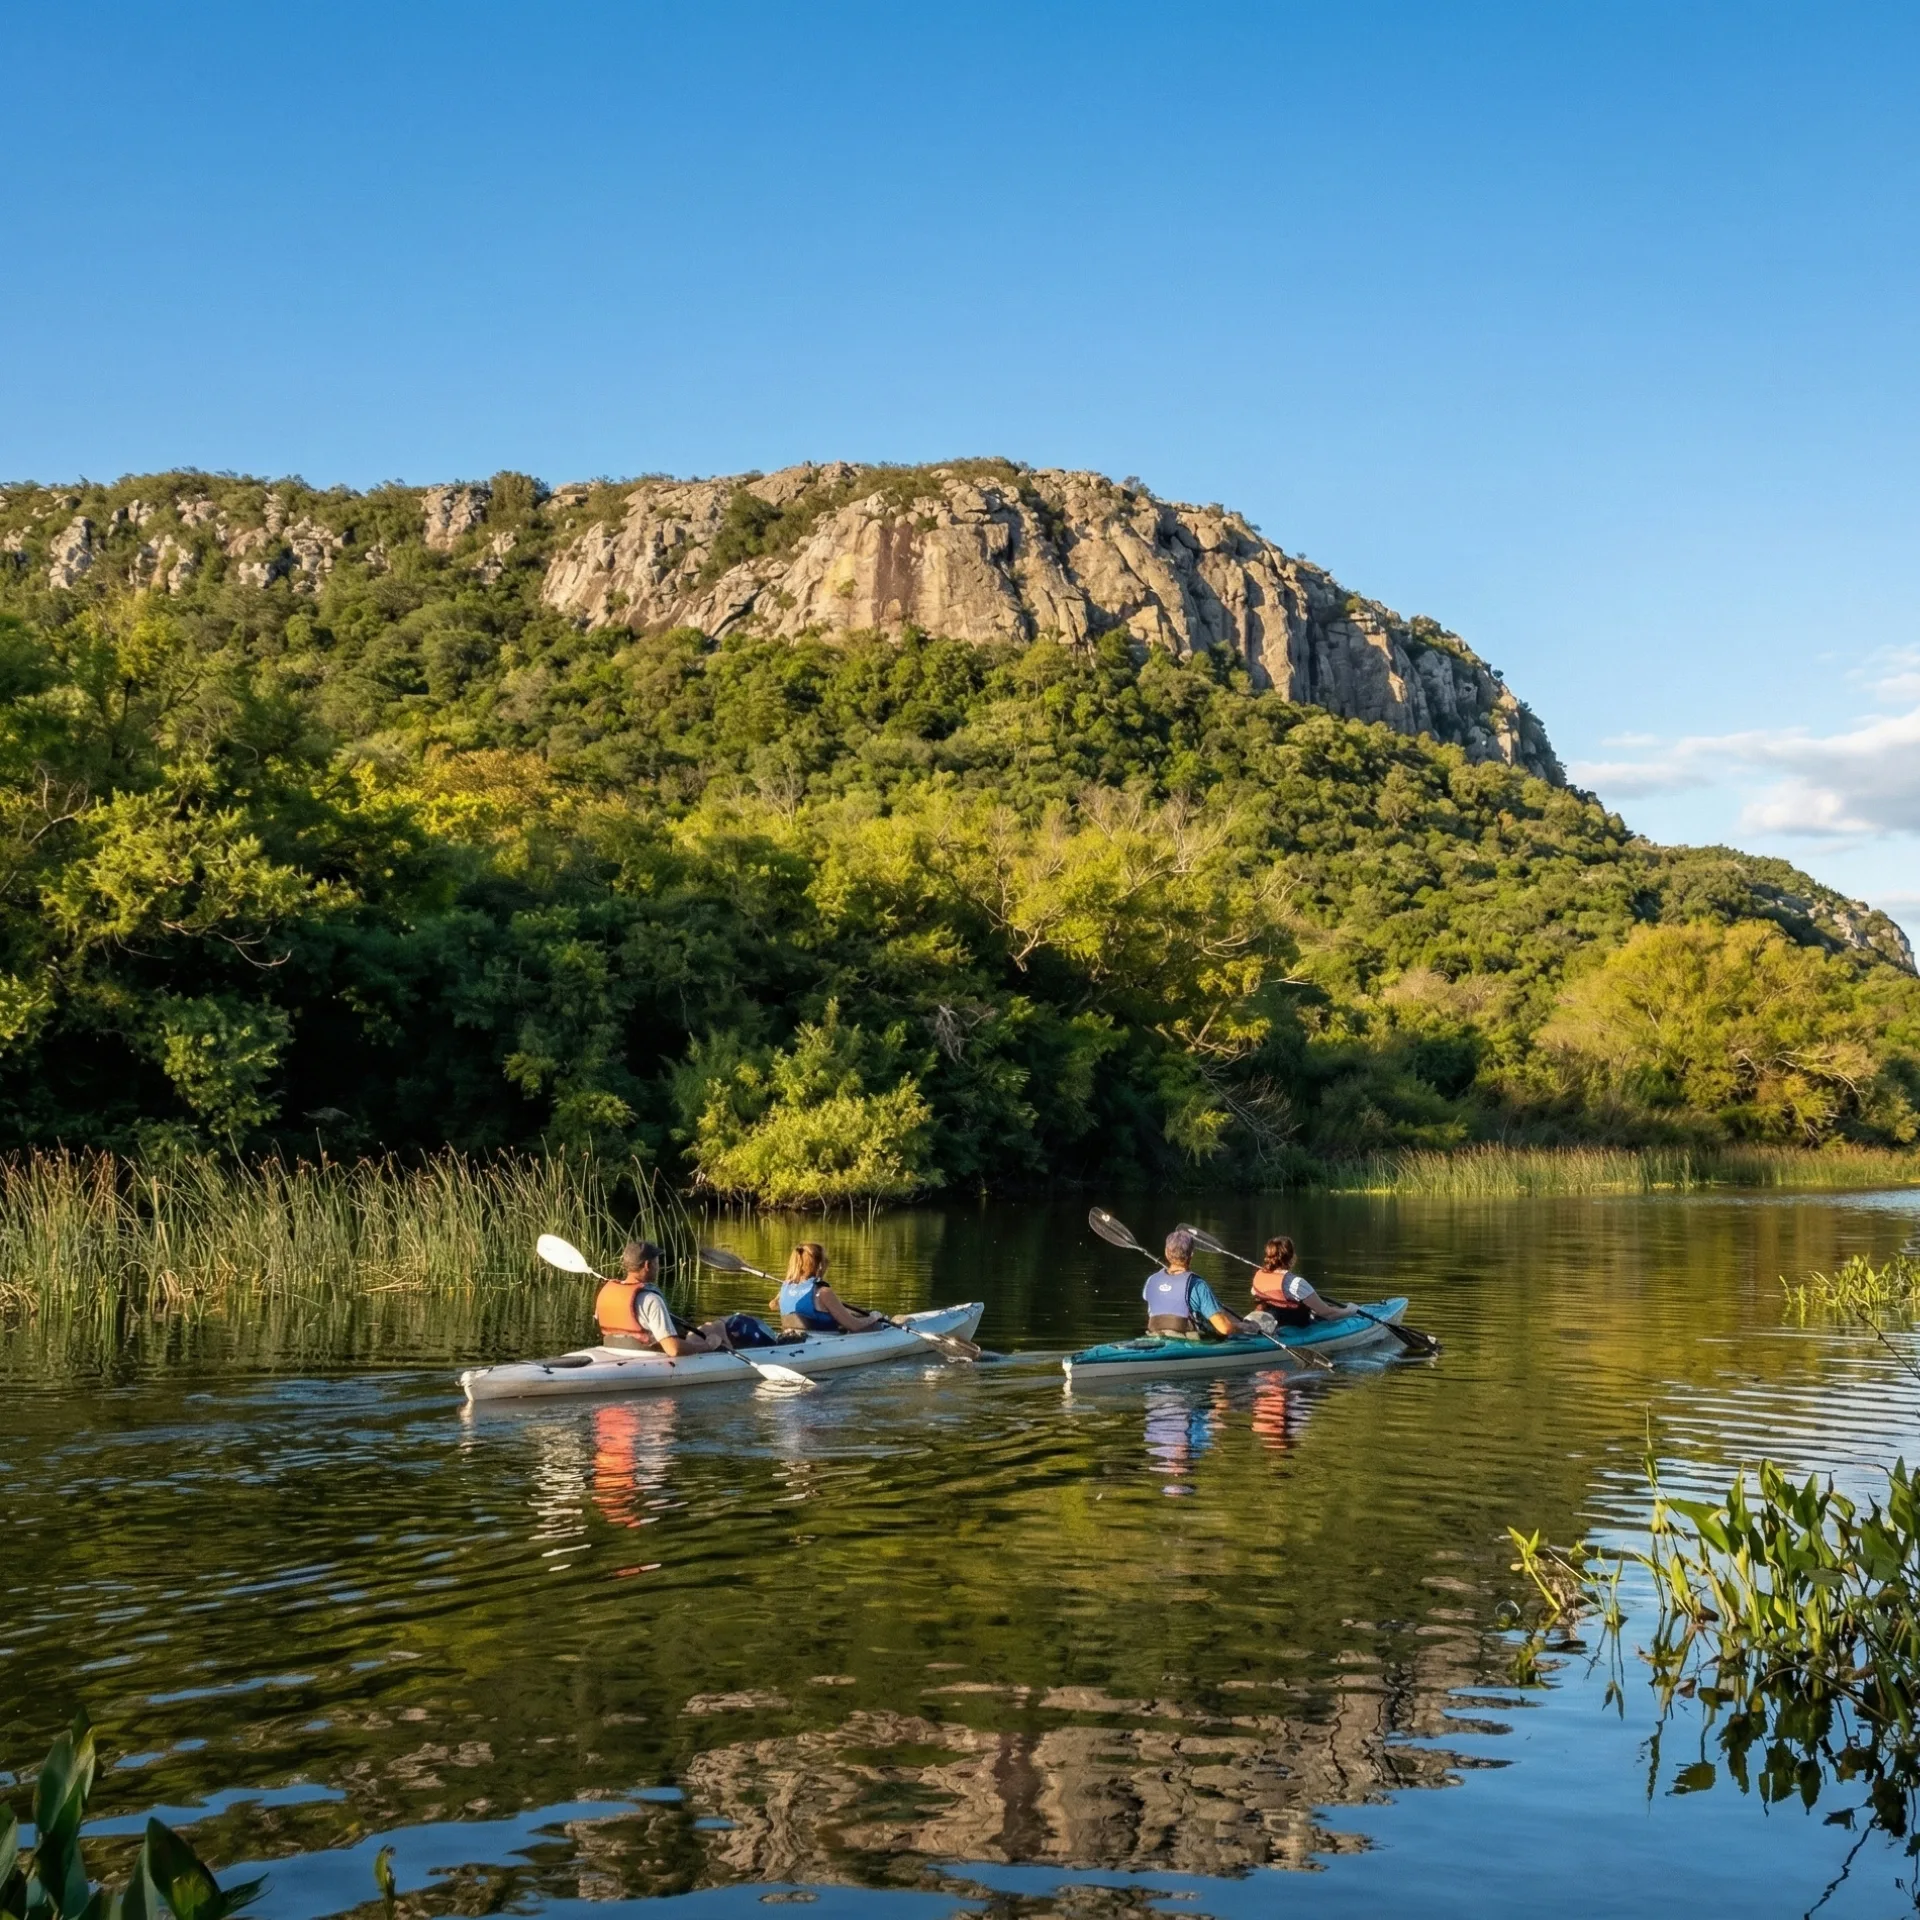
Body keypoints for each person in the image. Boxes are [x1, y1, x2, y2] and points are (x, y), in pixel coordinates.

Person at [595, 1241, 731, 1356]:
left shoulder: (606, 1293)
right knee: (716, 1329)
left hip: (614, 1352)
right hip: (647, 1358)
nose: (658, 1267)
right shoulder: (651, 1299)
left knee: (709, 1328)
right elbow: (673, 1349)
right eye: (657, 1262)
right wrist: (707, 1346)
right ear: (648, 1265)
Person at [1142, 1228, 1256, 1340]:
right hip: (1188, 1341)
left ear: (1166, 1253)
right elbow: (1224, 1329)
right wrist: (1242, 1328)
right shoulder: (1198, 1285)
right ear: (1191, 1254)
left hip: (1156, 1336)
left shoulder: (1151, 1281)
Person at [772, 1243, 886, 1334]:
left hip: (793, 1338)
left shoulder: (785, 1287)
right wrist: (874, 1317)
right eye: (826, 1260)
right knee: (878, 1325)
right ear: (821, 1265)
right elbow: (854, 1326)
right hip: (821, 1345)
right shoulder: (823, 1292)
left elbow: (773, 1305)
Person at [1246, 1236, 1348, 1330]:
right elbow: (1328, 1314)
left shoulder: (1259, 1276)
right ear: (1292, 1257)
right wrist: (1351, 1310)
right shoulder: (1296, 1283)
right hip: (1294, 1326)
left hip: (1270, 1323)